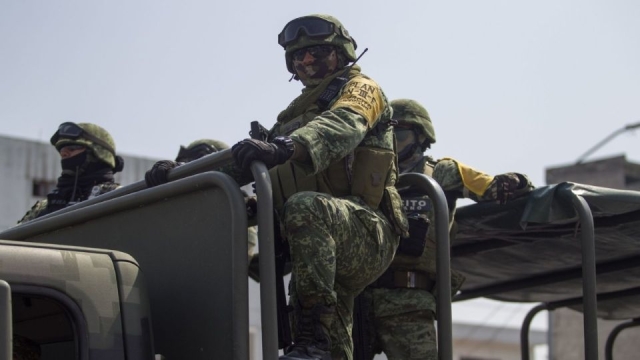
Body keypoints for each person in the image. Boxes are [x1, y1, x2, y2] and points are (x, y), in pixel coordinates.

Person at [146, 14, 407, 360]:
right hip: (318, 243)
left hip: (365, 230)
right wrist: (182, 176)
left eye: (315, 51)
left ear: (341, 53)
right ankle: (316, 344)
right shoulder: (291, 116)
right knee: (327, 348)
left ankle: (313, 341)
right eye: (298, 56)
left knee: (304, 211)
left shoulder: (361, 89)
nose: (306, 61)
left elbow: (343, 124)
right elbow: (245, 163)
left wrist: (285, 147)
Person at [358, 99, 535, 360]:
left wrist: (516, 180)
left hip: (409, 302)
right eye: (384, 133)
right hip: (360, 298)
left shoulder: (440, 173)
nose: (391, 141)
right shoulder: (366, 176)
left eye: (400, 133)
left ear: (421, 137)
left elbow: (494, 187)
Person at [18, 122, 124, 224]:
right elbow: (12, 238)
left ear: (99, 154)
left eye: (72, 148)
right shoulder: (44, 206)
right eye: (62, 150)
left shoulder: (119, 197)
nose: (64, 153)